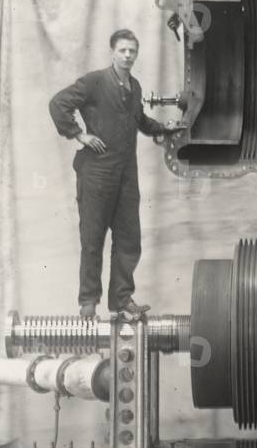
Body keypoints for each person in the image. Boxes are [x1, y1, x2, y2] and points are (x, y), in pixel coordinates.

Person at [49, 29, 182, 318]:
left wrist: (163, 128)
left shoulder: (134, 86)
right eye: (123, 50)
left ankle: (122, 300)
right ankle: (88, 303)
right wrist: (79, 135)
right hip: (96, 173)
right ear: (112, 52)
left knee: (129, 239)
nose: (128, 56)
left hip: (125, 175)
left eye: (132, 51)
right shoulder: (95, 81)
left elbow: (140, 121)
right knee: (93, 239)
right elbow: (58, 103)